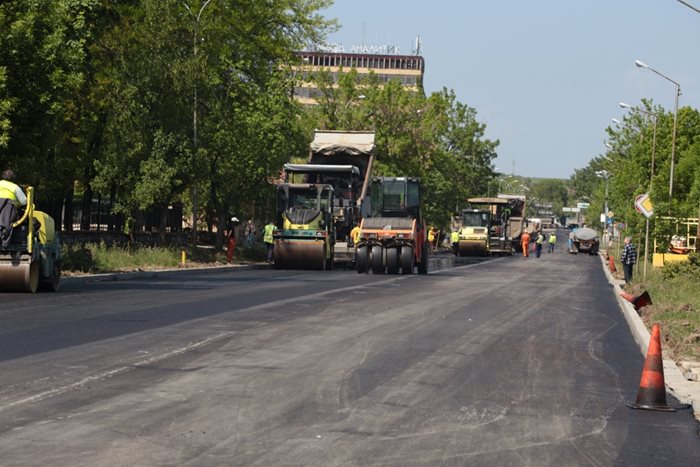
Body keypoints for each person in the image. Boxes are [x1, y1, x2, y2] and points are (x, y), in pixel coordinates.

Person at [0, 169, 28, 248]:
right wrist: (17, 204)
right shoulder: (15, 187)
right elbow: (24, 201)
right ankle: (5, 242)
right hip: (8, 212)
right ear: (13, 178)